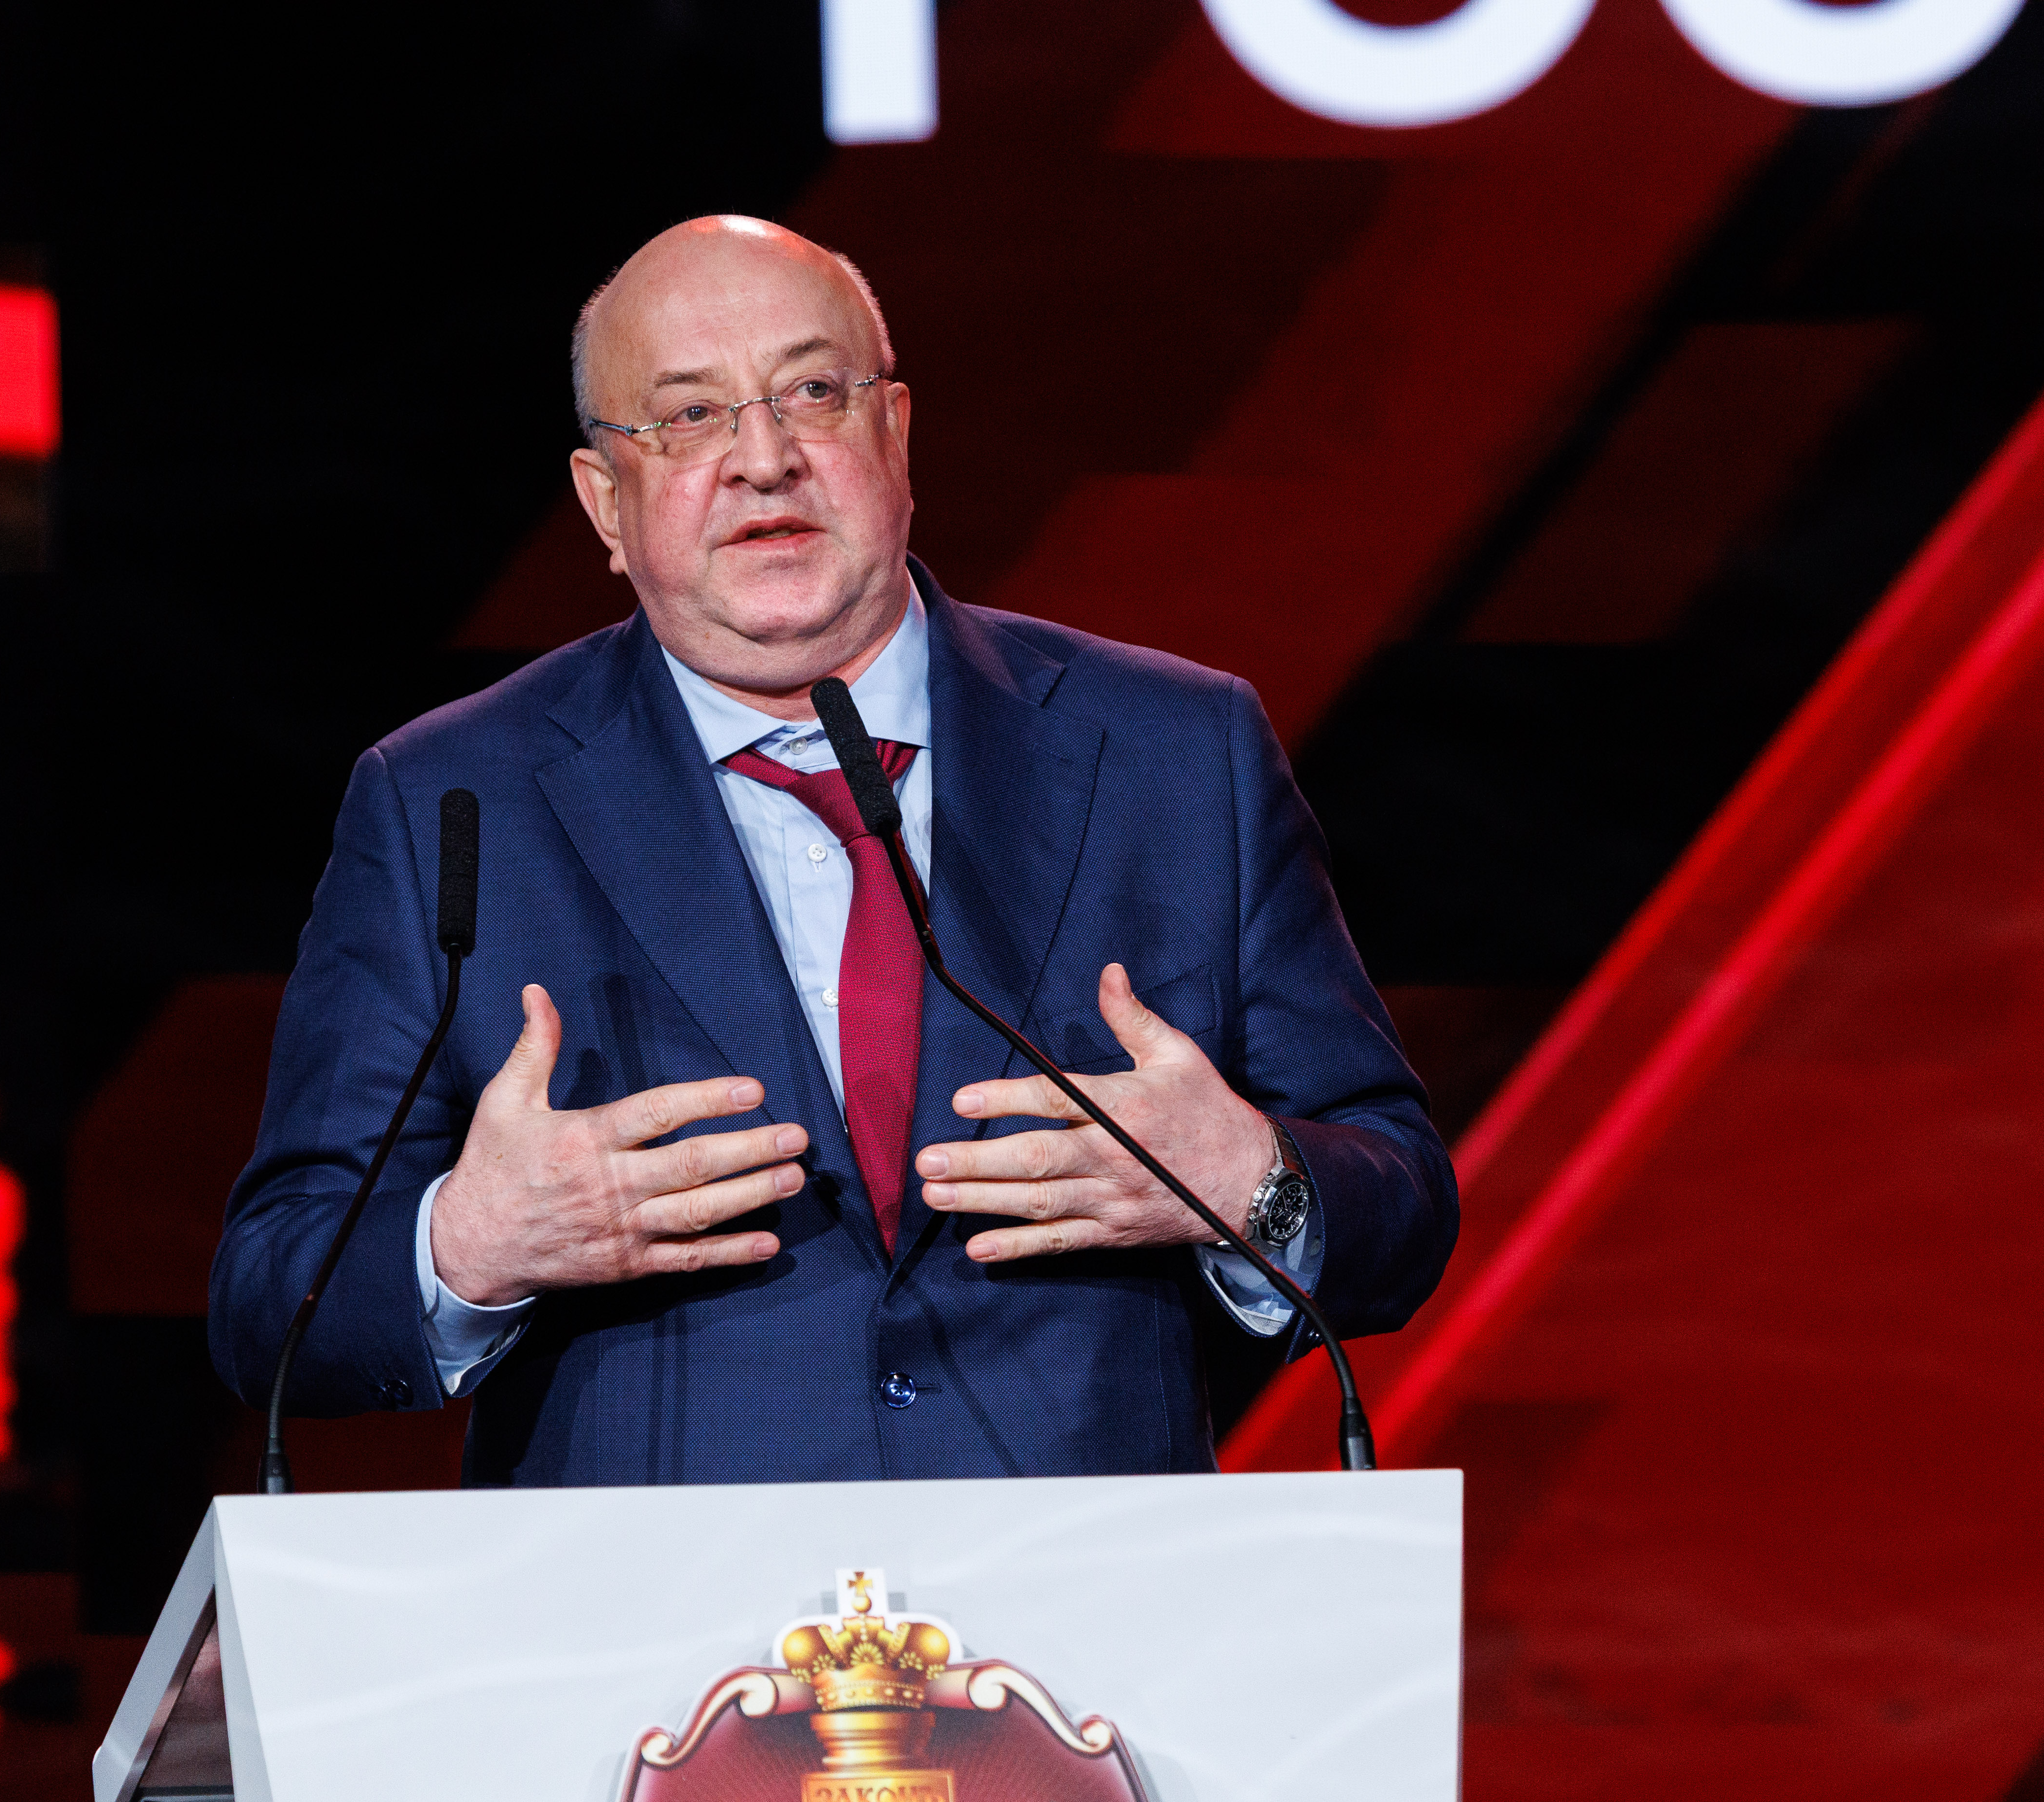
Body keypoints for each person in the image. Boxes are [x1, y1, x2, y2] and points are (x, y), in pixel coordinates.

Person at [209, 216, 1456, 1485]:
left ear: (894, 432)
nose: (764, 461)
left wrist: (1249, 1181)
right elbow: (270, 1297)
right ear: (604, 500)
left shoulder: (1175, 751)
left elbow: (1400, 1205)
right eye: (689, 417)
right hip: (648, 1602)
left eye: (812, 392)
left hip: (1085, 1588)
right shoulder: (448, 800)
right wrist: (469, 1246)